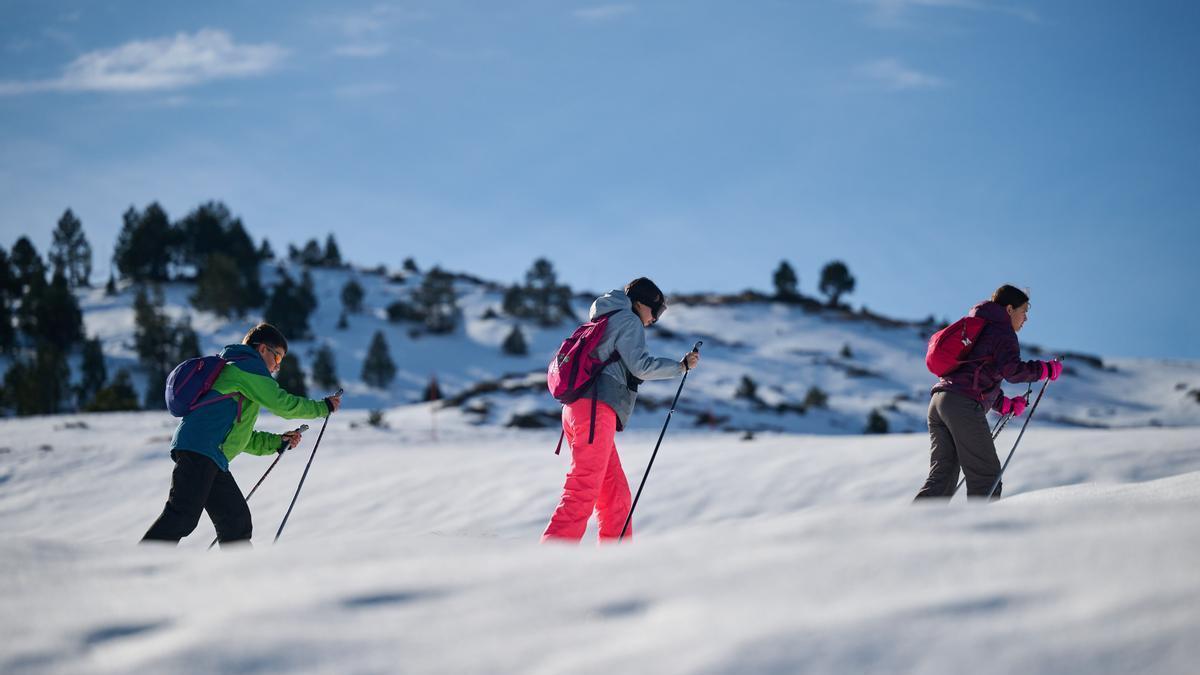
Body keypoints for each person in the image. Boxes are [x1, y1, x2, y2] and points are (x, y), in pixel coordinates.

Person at [142, 323, 342, 546]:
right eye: (277, 357)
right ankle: (139, 564)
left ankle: (238, 570)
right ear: (263, 349)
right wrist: (322, 407)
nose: (277, 366)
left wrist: (277, 442)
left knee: (236, 522)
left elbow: (241, 436)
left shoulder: (239, 372)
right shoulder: (246, 368)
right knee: (183, 515)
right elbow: (282, 404)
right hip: (200, 449)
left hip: (210, 454)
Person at [542, 278, 701, 544]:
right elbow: (641, 366)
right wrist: (680, 366)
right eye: (656, 311)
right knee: (584, 488)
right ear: (641, 303)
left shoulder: (606, 317)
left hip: (579, 409)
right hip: (594, 409)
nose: (654, 319)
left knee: (614, 493)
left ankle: (615, 561)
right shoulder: (628, 320)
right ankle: (549, 558)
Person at [915, 285, 1062, 500]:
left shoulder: (979, 325)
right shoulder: (1002, 331)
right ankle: (983, 523)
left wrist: (1004, 404)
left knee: (942, 477)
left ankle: (912, 522)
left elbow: (974, 374)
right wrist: (1045, 369)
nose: (1026, 318)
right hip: (962, 405)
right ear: (1009, 309)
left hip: (940, 402)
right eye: (1024, 311)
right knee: (987, 478)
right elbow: (1012, 371)